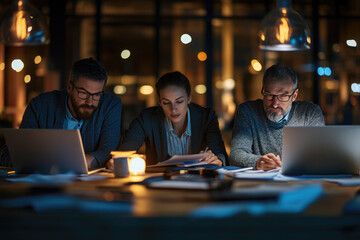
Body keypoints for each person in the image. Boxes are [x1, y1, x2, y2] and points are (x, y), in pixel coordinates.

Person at [20, 58, 122, 169]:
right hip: (42, 182)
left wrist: (66, 163)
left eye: (96, 95)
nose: (90, 102)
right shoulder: (40, 105)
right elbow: (12, 153)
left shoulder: (110, 104)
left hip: (90, 185)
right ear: (69, 87)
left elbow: (109, 152)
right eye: (83, 93)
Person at [116, 71, 227, 167]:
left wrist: (217, 160)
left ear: (189, 98)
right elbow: (125, 152)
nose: (173, 109)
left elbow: (219, 153)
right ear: (159, 101)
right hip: (159, 186)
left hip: (199, 184)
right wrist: (118, 161)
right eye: (166, 103)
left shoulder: (206, 117)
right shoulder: (147, 118)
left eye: (179, 101)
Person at [229, 64, 325, 170]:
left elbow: (319, 154)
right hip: (260, 183)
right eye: (269, 95)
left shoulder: (309, 113)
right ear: (263, 90)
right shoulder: (248, 111)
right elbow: (236, 154)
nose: (275, 104)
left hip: (299, 183)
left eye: (283, 96)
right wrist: (258, 162)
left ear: (294, 95)